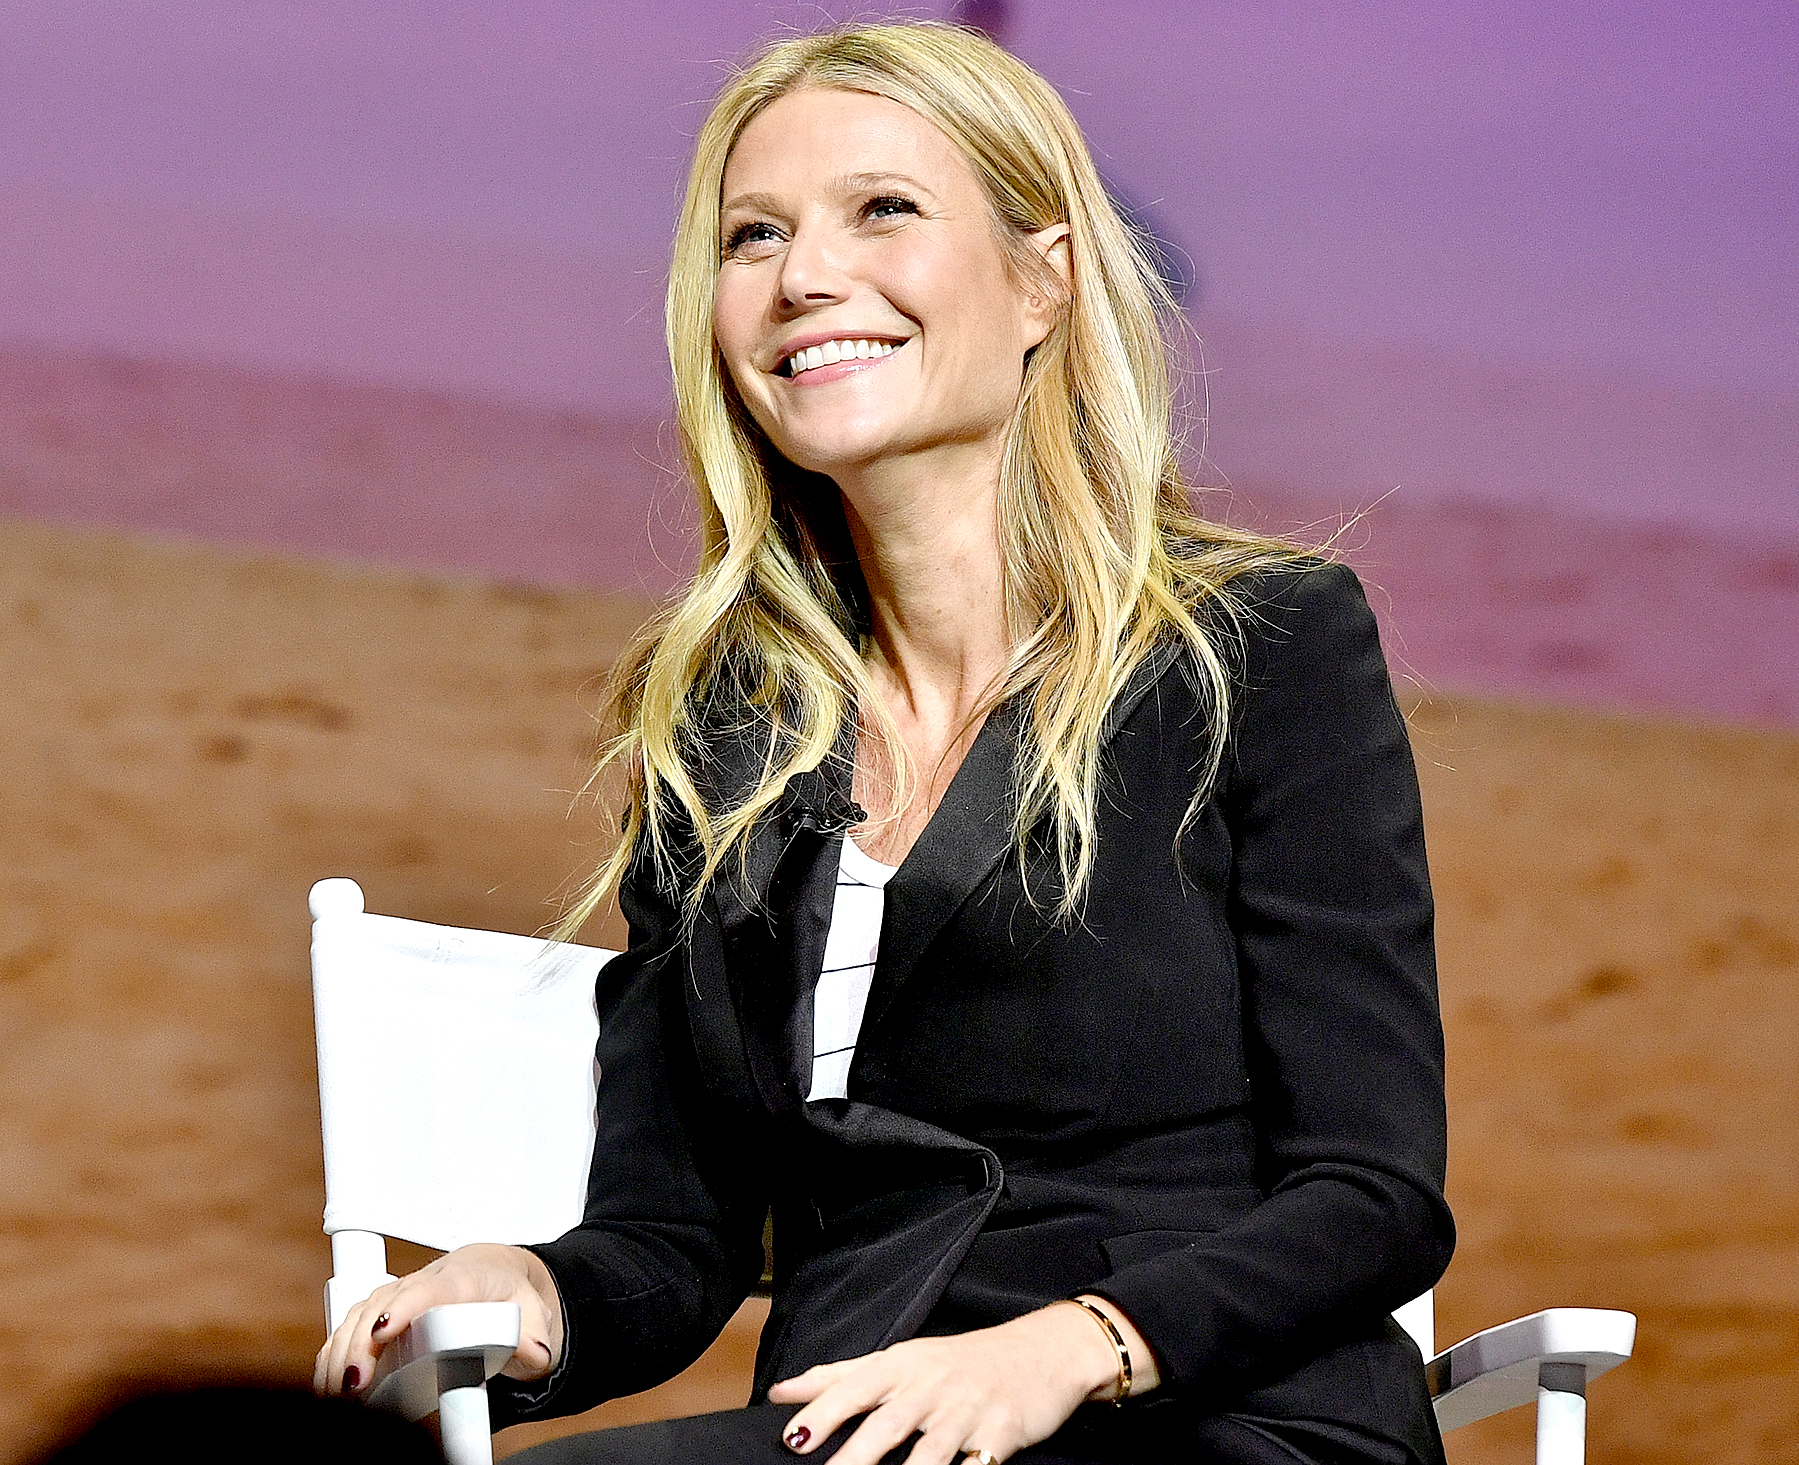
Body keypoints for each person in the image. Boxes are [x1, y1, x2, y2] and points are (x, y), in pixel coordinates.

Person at [316, 22, 1454, 1465]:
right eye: (754, 235)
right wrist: (528, 1290)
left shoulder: (1259, 648)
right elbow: (681, 1235)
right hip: (854, 1424)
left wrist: (1073, 1349)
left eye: (884, 210)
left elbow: (1373, 1194)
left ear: (1042, 279)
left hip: (1211, 1418)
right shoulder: (723, 732)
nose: (803, 277)